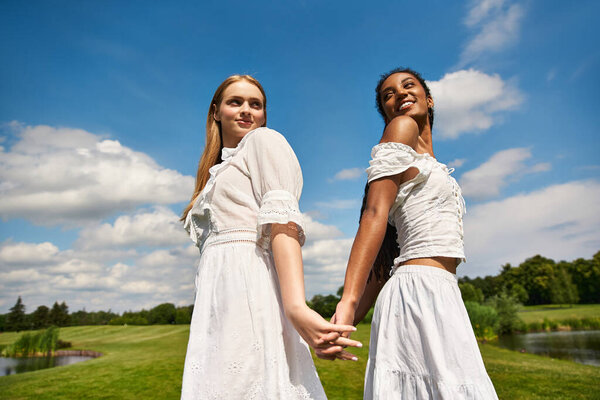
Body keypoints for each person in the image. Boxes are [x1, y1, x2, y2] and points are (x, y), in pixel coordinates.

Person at [180, 74, 360, 399]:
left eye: (256, 104)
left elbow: (283, 224)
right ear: (216, 111)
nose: (247, 110)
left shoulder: (263, 142)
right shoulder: (214, 174)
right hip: (217, 300)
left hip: (250, 288)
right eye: (236, 102)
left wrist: (295, 306)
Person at [329, 68, 498, 399]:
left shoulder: (429, 162)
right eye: (388, 95)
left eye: (409, 86)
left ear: (429, 99)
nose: (400, 94)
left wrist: (345, 324)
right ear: (387, 112)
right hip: (419, 292)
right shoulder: (401, 128)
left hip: (442, 291)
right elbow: (374, 214)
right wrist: (347, 300)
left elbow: (383, 265)